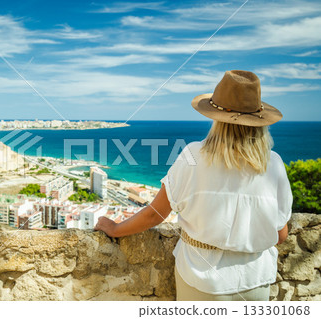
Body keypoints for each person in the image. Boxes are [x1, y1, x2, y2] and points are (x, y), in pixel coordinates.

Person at [94, 70, 293, 301]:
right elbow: (280, 234)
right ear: (259, 122)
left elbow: (155, 214)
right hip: (256, 280)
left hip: (203, 279)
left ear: (217, 119)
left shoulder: (193, 155)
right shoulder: (274, 163)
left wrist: (115, 229)